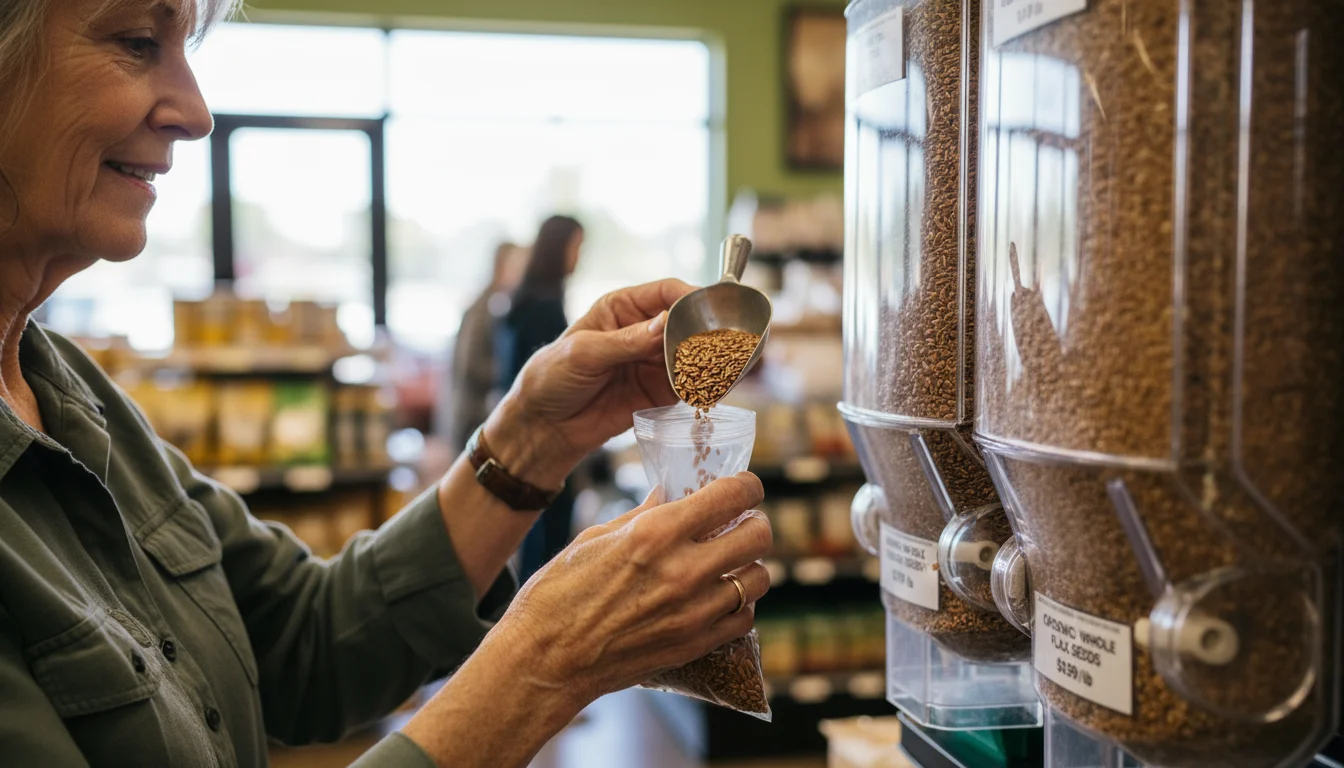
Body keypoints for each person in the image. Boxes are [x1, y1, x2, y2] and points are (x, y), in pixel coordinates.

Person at [0, 2, 773, 768]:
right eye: (137, 43)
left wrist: (537, 434)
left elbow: (309, 643)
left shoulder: (68, 392)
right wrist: (542, 660)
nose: (197, 113)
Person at [497, 215, 585, 579]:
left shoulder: (523, 300)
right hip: (546, 440)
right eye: (576, 247)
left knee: (533, 535)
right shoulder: (544, 308)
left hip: (526, 437)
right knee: (547, 547)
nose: (579, 258)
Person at [440, 241, 528, 452]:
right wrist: (513, 373)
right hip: (471, 415)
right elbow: (470, 364)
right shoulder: (484, 309)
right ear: (501, 267)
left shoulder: (498, 302)